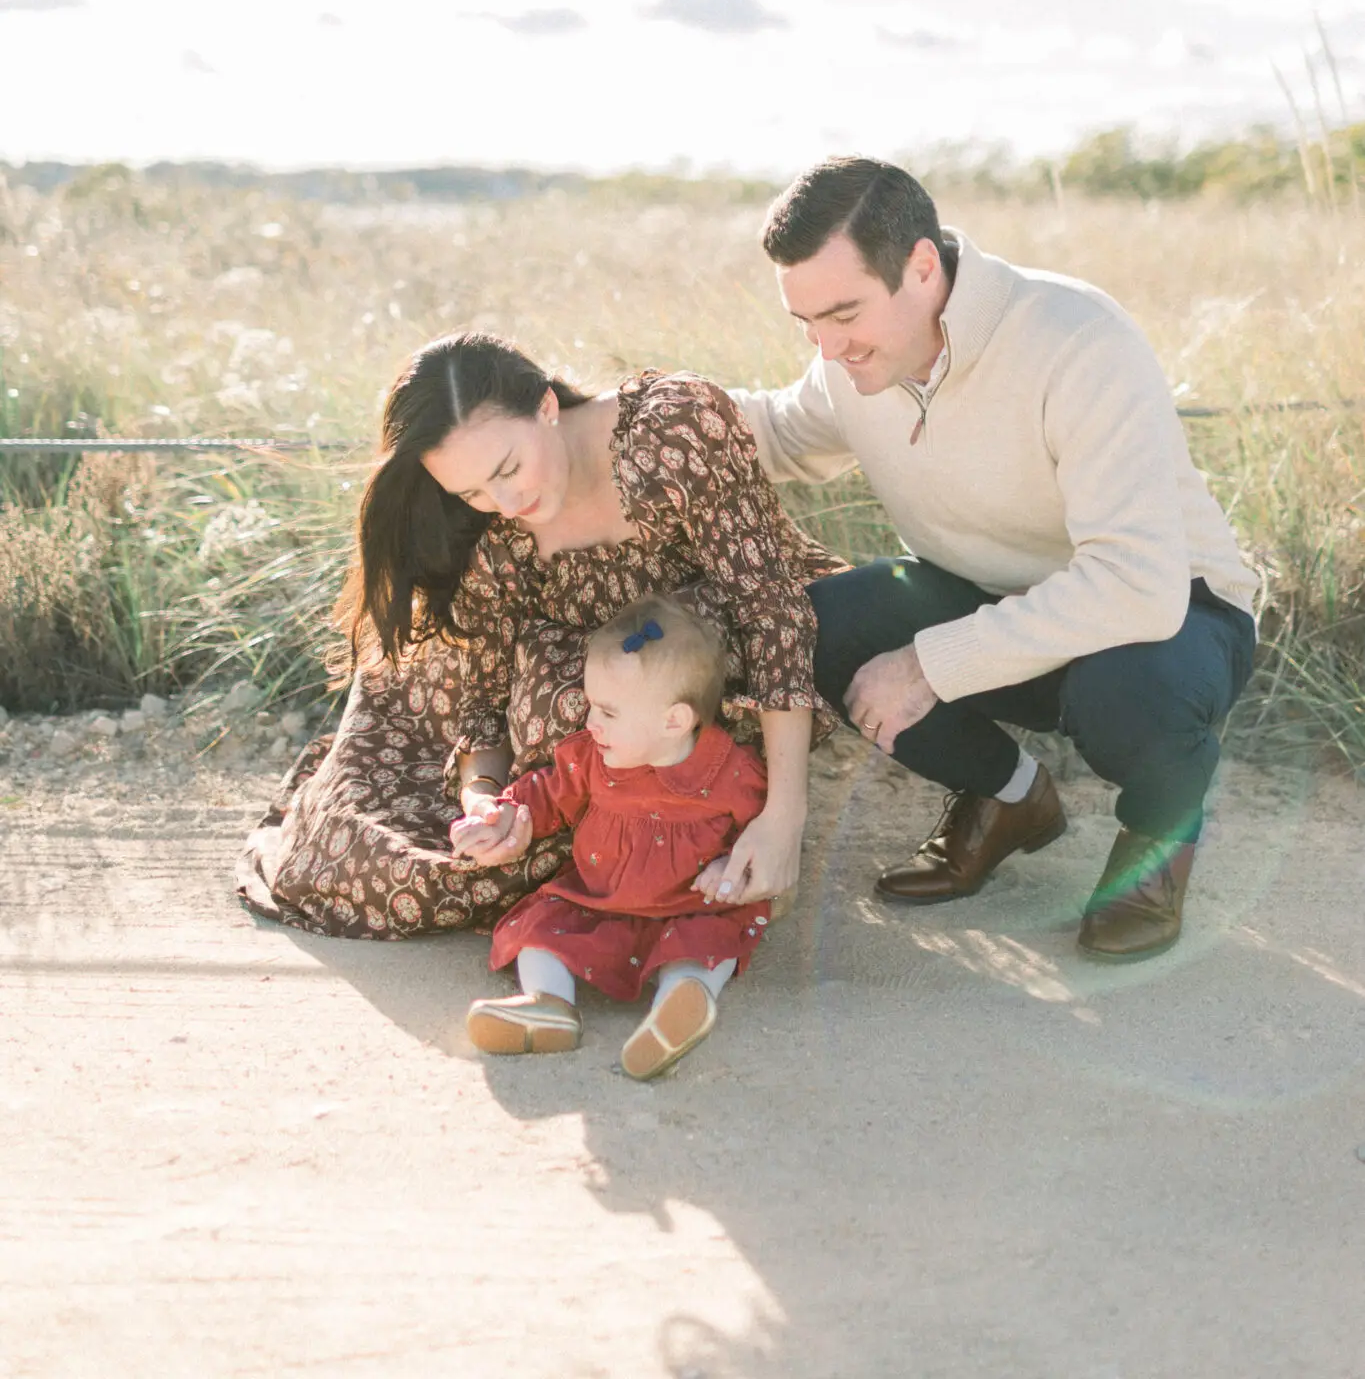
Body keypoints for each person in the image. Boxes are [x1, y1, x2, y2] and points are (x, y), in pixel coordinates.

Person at [730, 157, 1259, 962]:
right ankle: (1009, 798)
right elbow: (770, 432)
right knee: (820, 625)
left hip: (1170, 615)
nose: (827, 347)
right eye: (806, 323)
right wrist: (600, 418)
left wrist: (927, 664)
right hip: (993, 597)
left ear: (920, 267)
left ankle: (1158, 837)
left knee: (1128, 694)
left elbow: (1135, 586)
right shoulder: (851, 363)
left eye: (842, 314)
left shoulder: (1075, 338)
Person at [236, 335, 838, 938]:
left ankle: (708, 826)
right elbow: (484, 705)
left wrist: (786, 816)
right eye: (471, 492)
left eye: (507, 469)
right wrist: (485, 802)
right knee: (373, 850)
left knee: (585, 698)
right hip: (578, 746)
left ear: (546, 407)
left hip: (708, 667)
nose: (505, 502)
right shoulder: (495, 538)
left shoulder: (669, 431)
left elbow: (770, 609)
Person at [456, 594, 772, 1080]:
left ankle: (680, 1005)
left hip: (692, 905)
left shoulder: (731, 773)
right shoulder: (591, 757)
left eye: (608, 712)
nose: (589, 723)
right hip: (597, 900)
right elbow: (547, 794)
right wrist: (502, 815)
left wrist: (729, 865)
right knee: (541, 926)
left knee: (709, 941)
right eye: (591, 705)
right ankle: (549, 1004)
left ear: (675, 721)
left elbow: (761, 833)